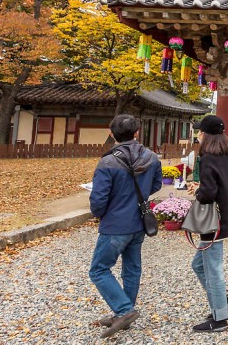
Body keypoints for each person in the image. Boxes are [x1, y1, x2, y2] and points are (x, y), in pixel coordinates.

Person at [88, 115, 162, 339]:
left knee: (99, 269)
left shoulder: (107, 162)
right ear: (137, 132)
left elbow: (98, 200)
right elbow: (156, 184)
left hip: (114, 224)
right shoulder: (151, 157)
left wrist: (100, 213)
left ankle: (124, 309)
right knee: (131, 268)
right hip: (138, 221)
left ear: (112, 134)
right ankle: (124, 312)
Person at [189, 115, 228, 333]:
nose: (198, 135)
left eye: (200, 132)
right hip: (226, 216)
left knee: (213, 269)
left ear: (205, 134)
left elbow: (208, 192)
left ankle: (220, 318)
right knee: (198, 265)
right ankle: (224, 302)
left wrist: (198, 192)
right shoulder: (226, 154)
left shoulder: (208, 157)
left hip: (213, 221)